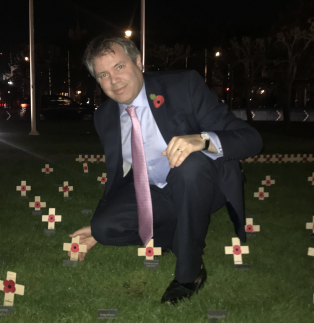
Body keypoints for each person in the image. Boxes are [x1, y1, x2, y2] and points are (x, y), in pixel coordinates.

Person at [68, 36, 263, 305]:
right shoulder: (105, 116)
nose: (114, 81)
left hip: (205, 183)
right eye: (103, 75)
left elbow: (251, 139)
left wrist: (202, 140)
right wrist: (104, 222)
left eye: (119, 67)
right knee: (104, 229)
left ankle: (189, 272)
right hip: (157, 192)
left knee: (190, 165)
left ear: (137, 61)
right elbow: (121, 172)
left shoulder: (183, 86)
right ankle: (180, 230)